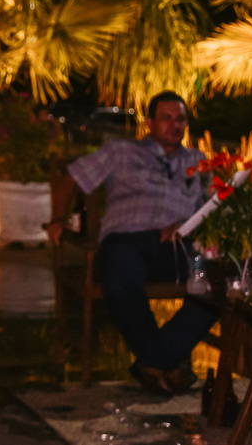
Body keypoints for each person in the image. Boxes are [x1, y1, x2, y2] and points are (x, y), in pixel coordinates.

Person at [46, 91, 215, 397]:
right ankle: (167, 363)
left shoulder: (198, 161)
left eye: (180, 119)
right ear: (149, 123)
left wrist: (187, 224)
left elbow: (212, 209)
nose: (175, 125)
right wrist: (58, 217)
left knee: (217, 287)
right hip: (128, 240)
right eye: (166, 118)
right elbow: (70, 178)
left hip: (179, 247)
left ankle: (154, 362)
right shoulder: (121, 151)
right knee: (120, 276)